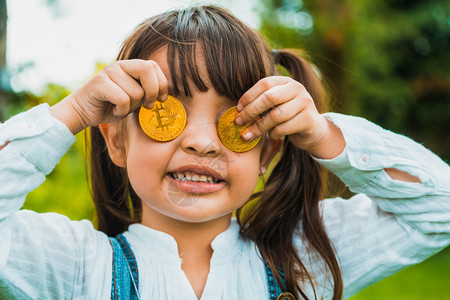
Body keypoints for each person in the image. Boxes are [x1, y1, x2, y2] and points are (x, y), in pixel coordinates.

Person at [0, 5, 449, 300]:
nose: (202, 141)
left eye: (234, 118)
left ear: (267, 154)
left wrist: (323, 135)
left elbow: (440, 208)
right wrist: (71, 112)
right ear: (116, 140)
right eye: (166, 109)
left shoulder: (307, 258)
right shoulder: (74, 265)